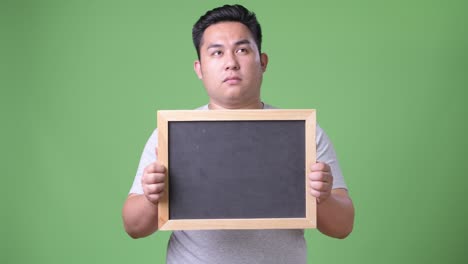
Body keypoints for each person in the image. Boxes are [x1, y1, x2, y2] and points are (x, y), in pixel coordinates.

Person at [122, 4, 354, 263]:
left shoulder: (303, 132)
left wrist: (322, 197)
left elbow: (342, 226)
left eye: (242, 50)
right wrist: (151, 198)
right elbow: (134, 227)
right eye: (217, 52)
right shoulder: (171, 133)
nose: (231, 63)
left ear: (262, 61)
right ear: (199, 68)